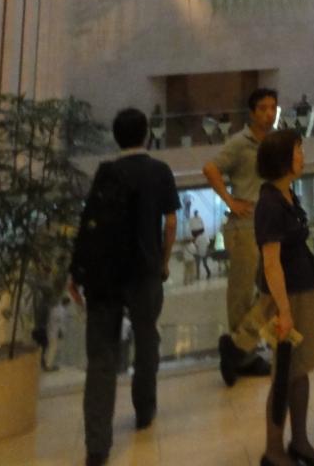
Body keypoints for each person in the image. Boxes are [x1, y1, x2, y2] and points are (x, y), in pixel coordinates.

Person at [69, 107, 179, 466]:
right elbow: (171, 224)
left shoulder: (106, 173)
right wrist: (163, 261)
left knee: (101, 358)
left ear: (116, 137)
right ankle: (144, 410)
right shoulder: (159, 171)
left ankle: (97, 446)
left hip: (103, 277)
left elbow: (89, 225)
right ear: (147, 133)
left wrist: (77, 272)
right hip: (144, 273)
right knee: (146, 341)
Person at [254, 128, 314, 466]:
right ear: (282, 159)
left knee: (299, 370)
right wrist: (284, 311)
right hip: (287, 299)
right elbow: (271, 263)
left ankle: (299, 441)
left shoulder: (287, 195)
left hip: (302, 290)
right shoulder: (270, 203)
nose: (302, 156)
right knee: (285, 372)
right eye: (297, 150)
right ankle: (274, 450)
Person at [203, 86, 279, 384]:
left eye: (272, 108)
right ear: (252, 113)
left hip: (270, 224)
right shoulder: (239, 142)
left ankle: (236, 347)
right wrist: (230, 201)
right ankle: (243, 357)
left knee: (274, 290)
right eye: (263, 108)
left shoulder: (274, 142)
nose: (269, 113)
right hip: (245, 226)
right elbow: (210, 169)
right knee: (241, 293)